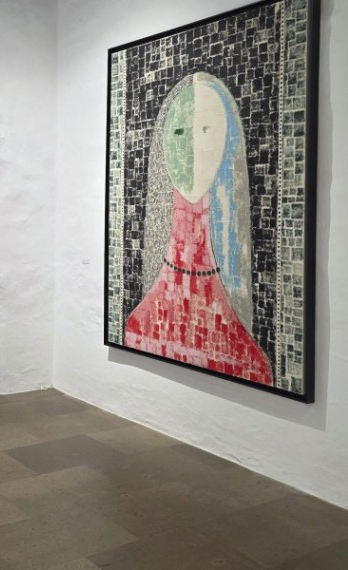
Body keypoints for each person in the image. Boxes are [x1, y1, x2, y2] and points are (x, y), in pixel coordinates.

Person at [124, 72, 272, 385]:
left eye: (206, 130)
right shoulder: (138, 324)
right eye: (179, 132)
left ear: (227, 140)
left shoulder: (250, 361)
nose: (192, 146)